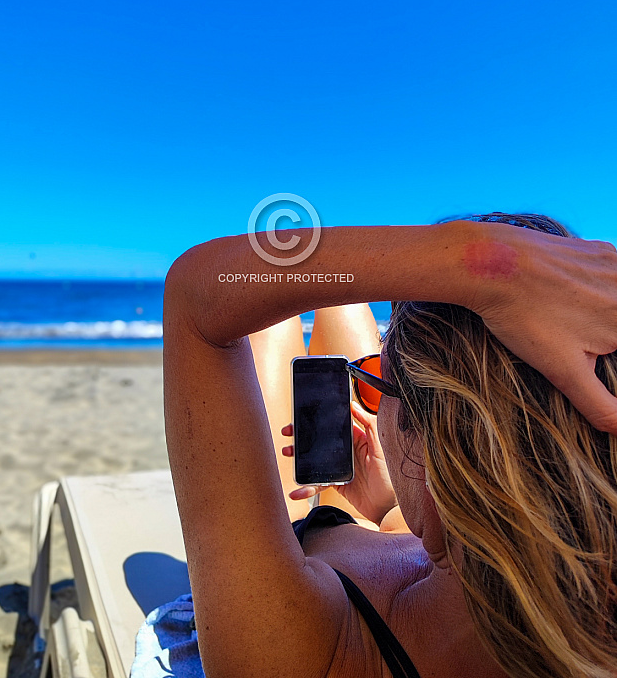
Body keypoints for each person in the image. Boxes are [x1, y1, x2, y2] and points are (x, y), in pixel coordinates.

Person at [162, 213, 617, 678]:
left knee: (287, 322)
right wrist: (390, 502)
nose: (371, 398)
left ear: (432, 458)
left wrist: (484, 259)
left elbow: (199, 296)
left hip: (296, 528)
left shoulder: (303, 650)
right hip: (390, 509)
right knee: (341, 312)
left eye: (379, 383)